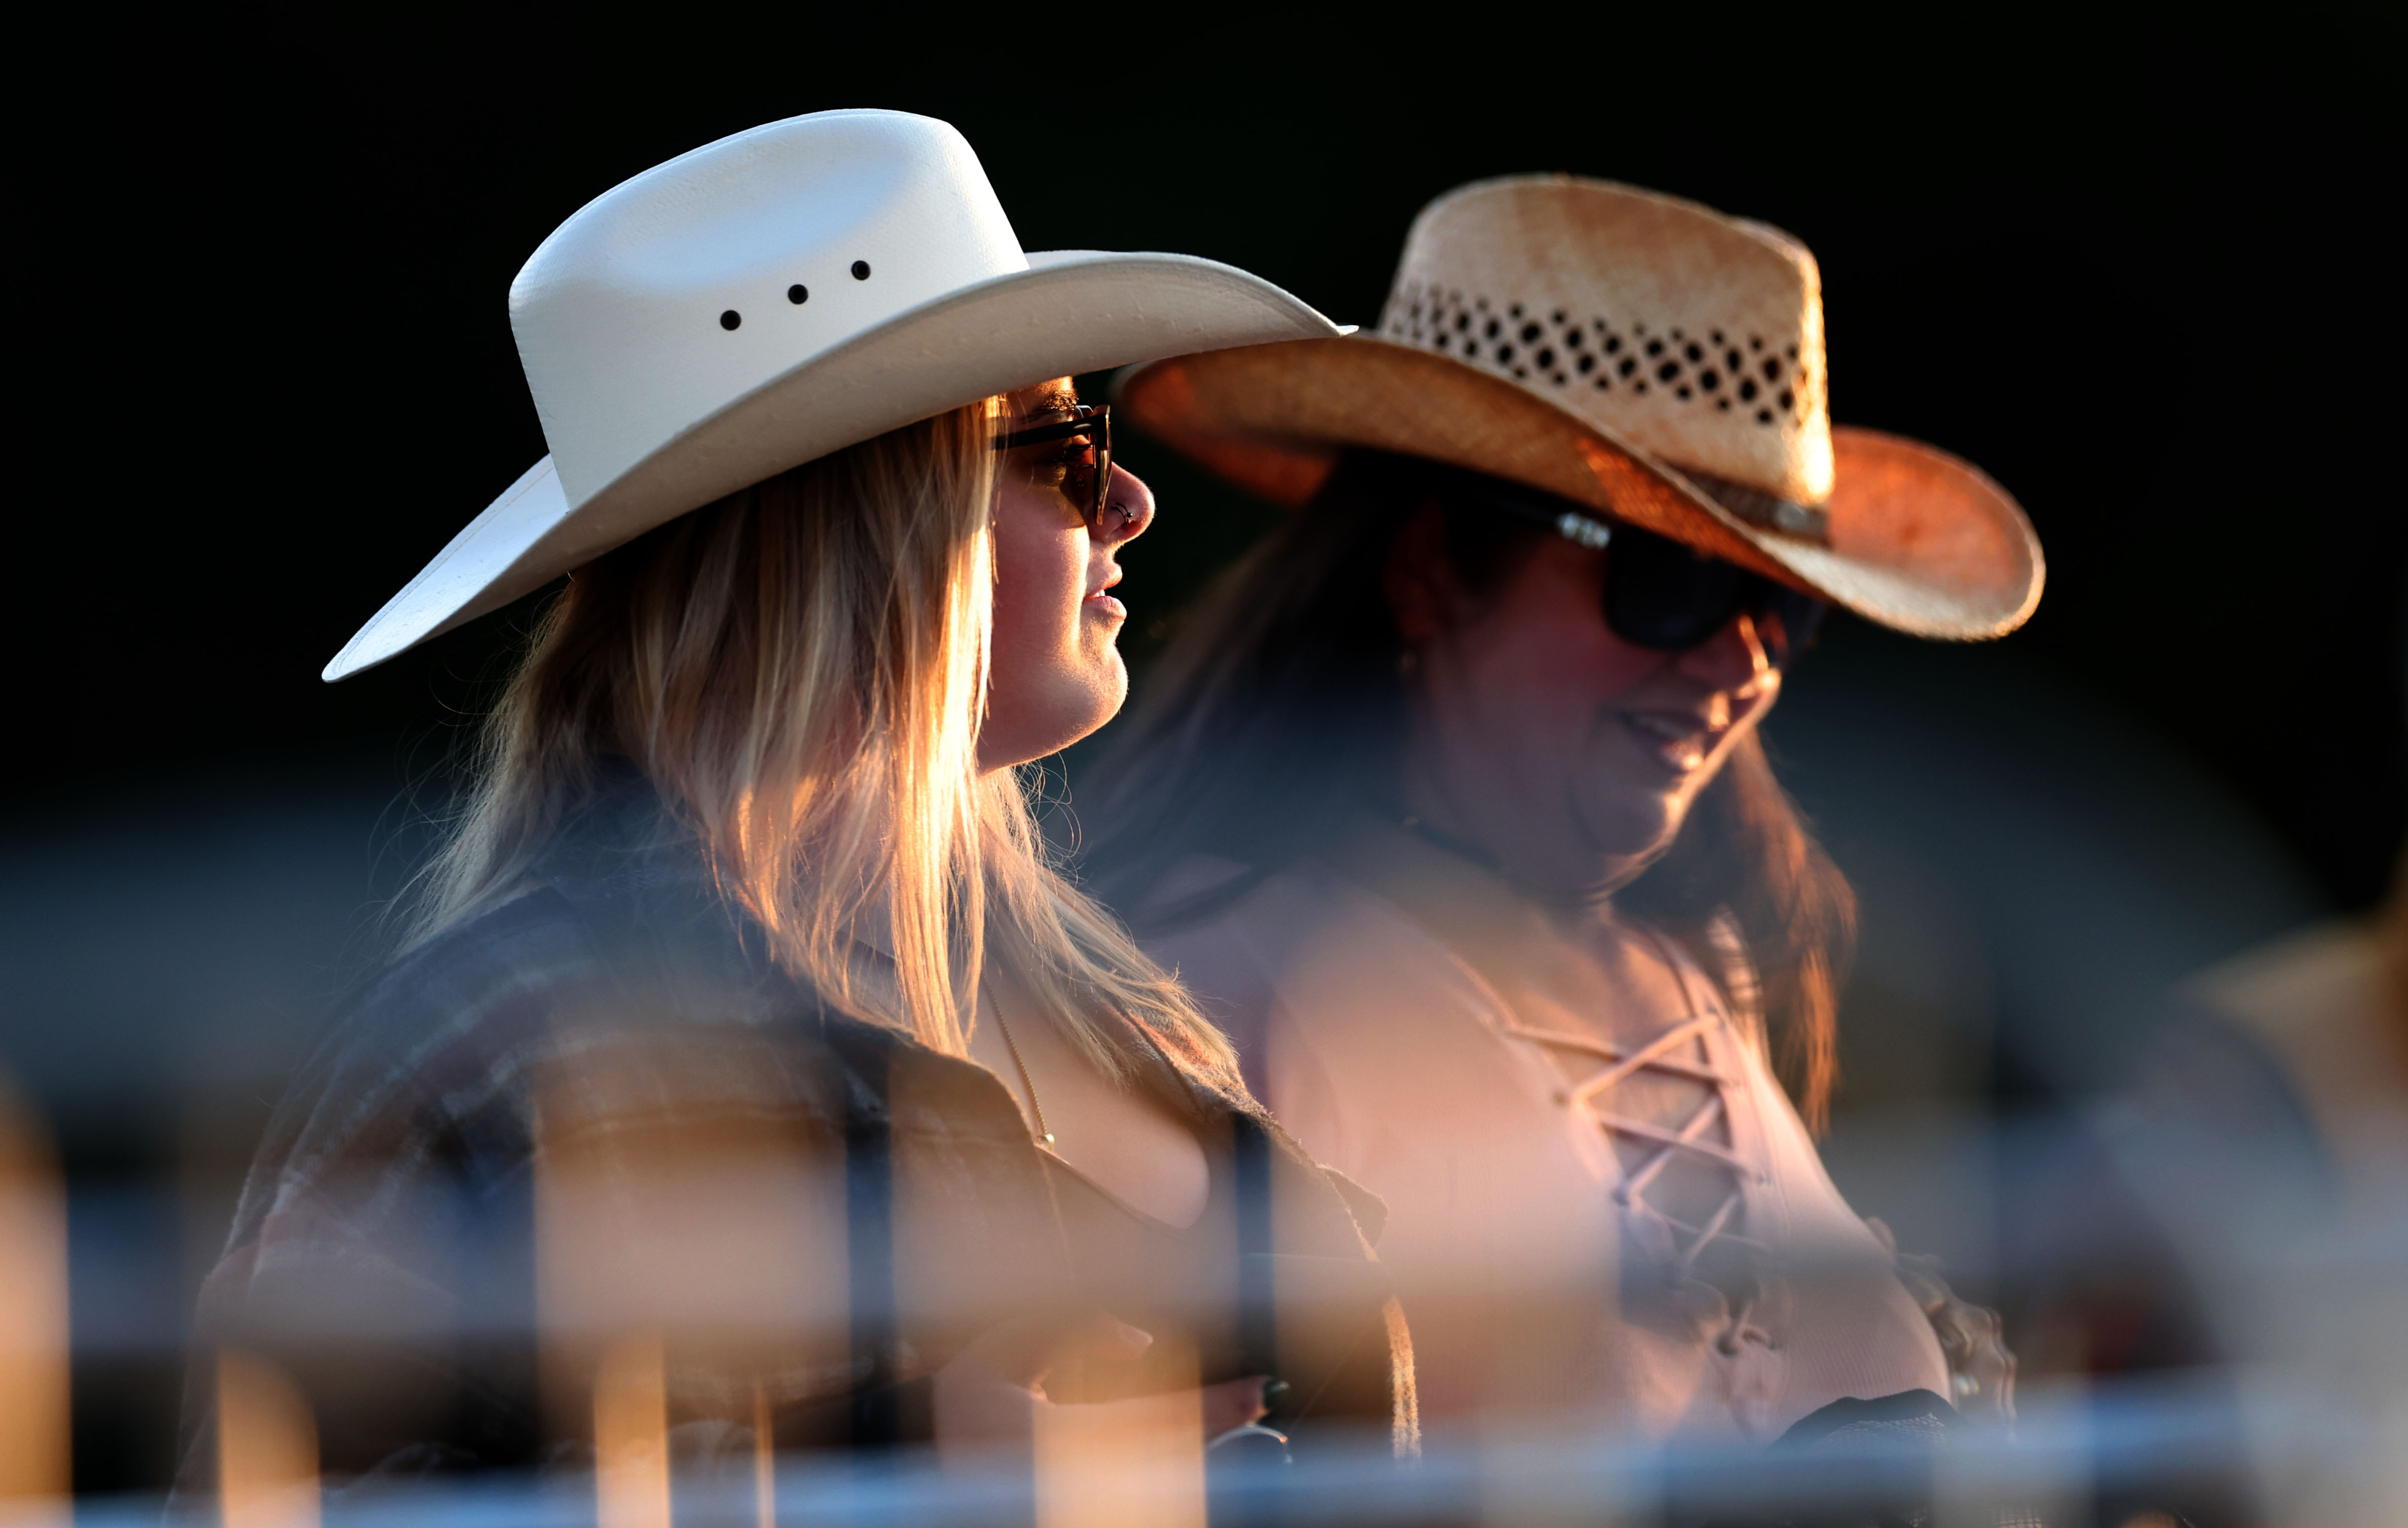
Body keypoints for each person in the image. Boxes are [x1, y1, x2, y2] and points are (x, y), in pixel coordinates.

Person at [179, 110, 1413, 1491]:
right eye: (1064, 444)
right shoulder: (490, 1051)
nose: (1126, 500)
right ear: (873, 520)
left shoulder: (1114, 1011)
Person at [1080, 176, 2040, 1446]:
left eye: (1785, 607)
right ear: (1427, 569)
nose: (1742, 661)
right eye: (1670, 580)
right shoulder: (1203, 994)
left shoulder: (1702, 969)